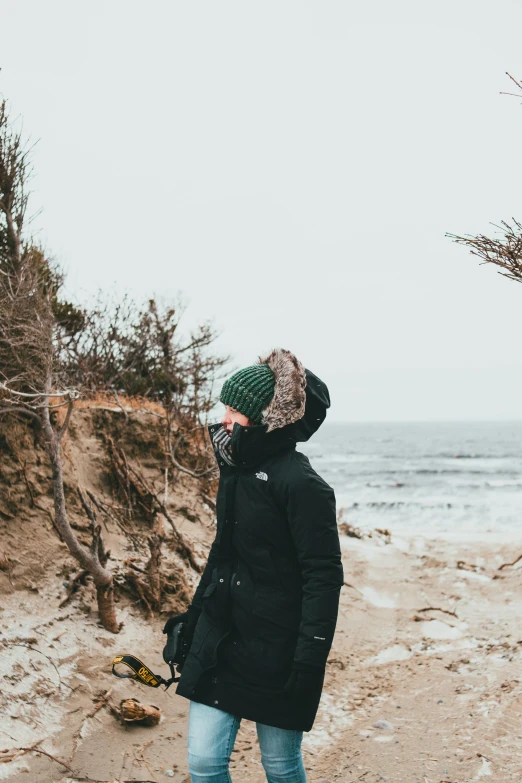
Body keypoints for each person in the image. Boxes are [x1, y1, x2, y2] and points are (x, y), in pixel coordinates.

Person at [164, 348, 344, 783]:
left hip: (278, 649)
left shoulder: (303, 485)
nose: (225, 418)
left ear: (268, 417)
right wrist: (192, 620)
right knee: (204, 764)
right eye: (225, 406)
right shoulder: (235, 469)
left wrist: (308, 660)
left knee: (280, 764)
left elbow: (323, 579)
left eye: (236, 410)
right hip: (221, 635)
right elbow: (223, 553)